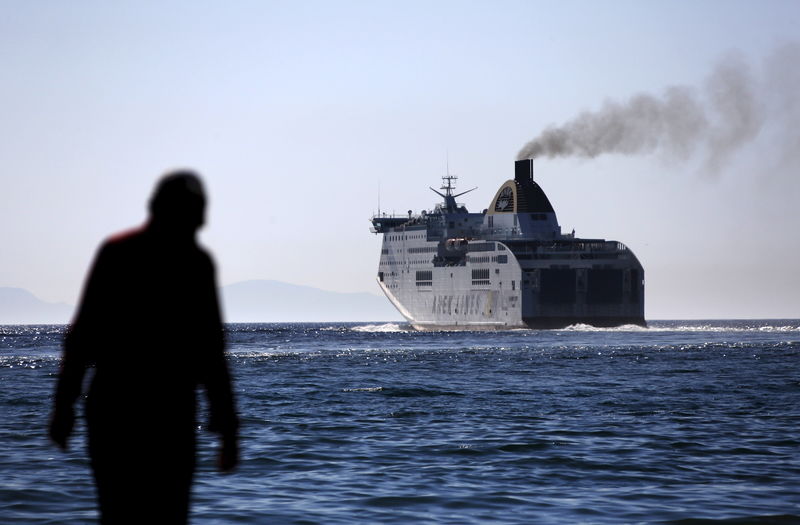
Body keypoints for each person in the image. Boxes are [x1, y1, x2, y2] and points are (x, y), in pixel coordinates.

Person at [50, 171, 239, 524]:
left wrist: (63, 408)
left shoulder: (118, 251)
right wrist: (228, 430)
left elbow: (81, 339)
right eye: (197, 212)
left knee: (117, 511)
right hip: (168, 416)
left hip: (114, 412)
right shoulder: (195, 262)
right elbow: (211, 352)